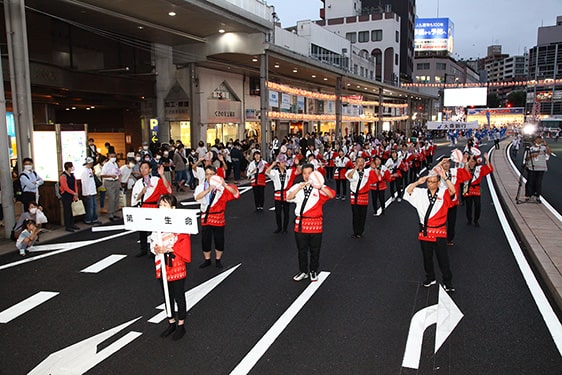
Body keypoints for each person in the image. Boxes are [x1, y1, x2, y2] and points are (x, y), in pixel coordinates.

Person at [404, 169, 456, 292]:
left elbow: (453, 191)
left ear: (438, 183)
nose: (430, 184)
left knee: (443, 258)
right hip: (425, 231)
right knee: (427, 257)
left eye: (433, 182)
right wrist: (417, 182)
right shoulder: (420, 193)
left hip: (439, 231)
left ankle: (447, 282)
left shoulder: (443, 193)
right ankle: (430, 277)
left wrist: (446, 178)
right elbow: (408, 191)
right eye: (429, 182)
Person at [150, 194, 191, 341]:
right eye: (160, 205)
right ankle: (171, 322)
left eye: (165, 205)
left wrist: (168, 249)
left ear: (173, 208)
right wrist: (155, 248)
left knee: (178, 294)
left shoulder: (179, 223)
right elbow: (152, 239)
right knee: (167, 295)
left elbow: (184, 241)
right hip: (161, 263)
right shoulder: (156, 223)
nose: (162, 207)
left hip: (176, 261)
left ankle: (181, 324)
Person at [286, 163, 335, 282]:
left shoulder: (319, 188)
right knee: (302, 250)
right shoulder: (298, 186)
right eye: (305, 173)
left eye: (309, 173)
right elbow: (288, 197)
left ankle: (313, 271)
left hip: (315, 224)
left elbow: (331, 195)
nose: (307, 176)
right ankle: (303, 271)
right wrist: (299, 188)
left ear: (314, 173)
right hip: (301, 224)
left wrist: (319, 185)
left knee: (315, 250)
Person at [194, 165, 240, 269]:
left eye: (211, 174)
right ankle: (207, 259)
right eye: (207, 174)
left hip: (218, 216)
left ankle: (218, 260)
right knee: (205, 239)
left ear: (216, 174)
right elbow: (197, 197)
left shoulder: (221, 188)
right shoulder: (202, 186)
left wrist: (224, 184)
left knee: (219, 239)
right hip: (206, 216)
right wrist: (208, 189)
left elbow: (235, 193)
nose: (209, 176)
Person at [131, 162, 172, 257]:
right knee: (142, 230)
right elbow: (135, 198)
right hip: (142, 207)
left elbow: (167, 190)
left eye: (146, 168)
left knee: (154, 230)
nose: (143, 170)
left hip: (153, 207)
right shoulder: (138, 183)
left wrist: (162, 175)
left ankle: (153, 249)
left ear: (150, 170)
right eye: (141, 168)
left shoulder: (155, 180)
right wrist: (142, 192)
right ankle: (143, 249)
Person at [457, 153, 493, 227]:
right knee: (468, 206)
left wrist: (487, 159)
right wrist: (465, 163)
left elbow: (489, 169)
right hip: (467, 188)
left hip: (476, 188)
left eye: (473, 161)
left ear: (476, 162)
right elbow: (460, 175)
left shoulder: (479, 169)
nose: (471, 163)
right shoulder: (465, 169)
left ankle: (476, 220)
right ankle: (469, 219)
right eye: (470, 161)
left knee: (477, 205)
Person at [266, 154, 298, 234]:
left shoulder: (289, 172)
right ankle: (279, 227)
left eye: (285, 162)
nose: (284, 164)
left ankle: (285, 228)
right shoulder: (275, 172)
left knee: (286, 212)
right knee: (278, 213)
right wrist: (273, 164)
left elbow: (298, 171)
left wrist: (297, 164)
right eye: (282, 162)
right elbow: (267, 172)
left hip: (286, 194)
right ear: (279, 164)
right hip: (278, 195)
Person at [346, 156, 374, 238]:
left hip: (364, 195)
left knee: (363, 214)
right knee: (355, 214)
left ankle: (360, 232)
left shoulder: (368, 171)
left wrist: (374, 167)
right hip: (354, 196)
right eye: (358, 161)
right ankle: (355, 231)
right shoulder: (351, 171)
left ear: (365, 163)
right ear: (355, 163)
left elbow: (376, 176)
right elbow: (349, 176)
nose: (360, 163)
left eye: (362, 161)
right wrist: (355, 168)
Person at [524, 135, 552, 203]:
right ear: (534, 141)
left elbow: (549, 152)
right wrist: (531, 156)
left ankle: (537, 195)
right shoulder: (531, 149)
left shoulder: (543, 148)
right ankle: (529, 195)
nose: (538, 141)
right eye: (537, 140)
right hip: (532, 167)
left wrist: (546, 145)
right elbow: (526, 158)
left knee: (538, 182)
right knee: (530, 182)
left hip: (541, 168)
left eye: (540, 140)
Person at [59, 162, 80, 232]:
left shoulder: (72, 175)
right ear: (68, 167)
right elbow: (65, 187)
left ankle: (72, 223)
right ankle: (67, 225)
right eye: (71, 167)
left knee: (72, 210)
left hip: (72, 194)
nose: (72, 168)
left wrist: (76, 193)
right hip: (66, 195)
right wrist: (73, 192)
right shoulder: (63, 176)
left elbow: (75, 185)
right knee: (67, 210)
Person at [100, 152, 121, 221]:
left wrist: (119, 179)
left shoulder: (115, 164)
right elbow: (102, 175)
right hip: (109, 182)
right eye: (112, 156)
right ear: (109, 157)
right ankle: (110, 214)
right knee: (112, 198)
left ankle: (114, 212)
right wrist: (110, 176)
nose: (113, 158)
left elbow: (118, 172)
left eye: (114, 156)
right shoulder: (106, 165)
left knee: (116, 198)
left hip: (116, 181)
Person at [80, 157, 100, 225]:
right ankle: (88, 219)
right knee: (90, 206)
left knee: (94, 205)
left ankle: (94, 218)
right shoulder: (84, 171)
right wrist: (87, 192)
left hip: (92, 190)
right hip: (88, 192)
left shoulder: (90, 170)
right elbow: (84, 182)